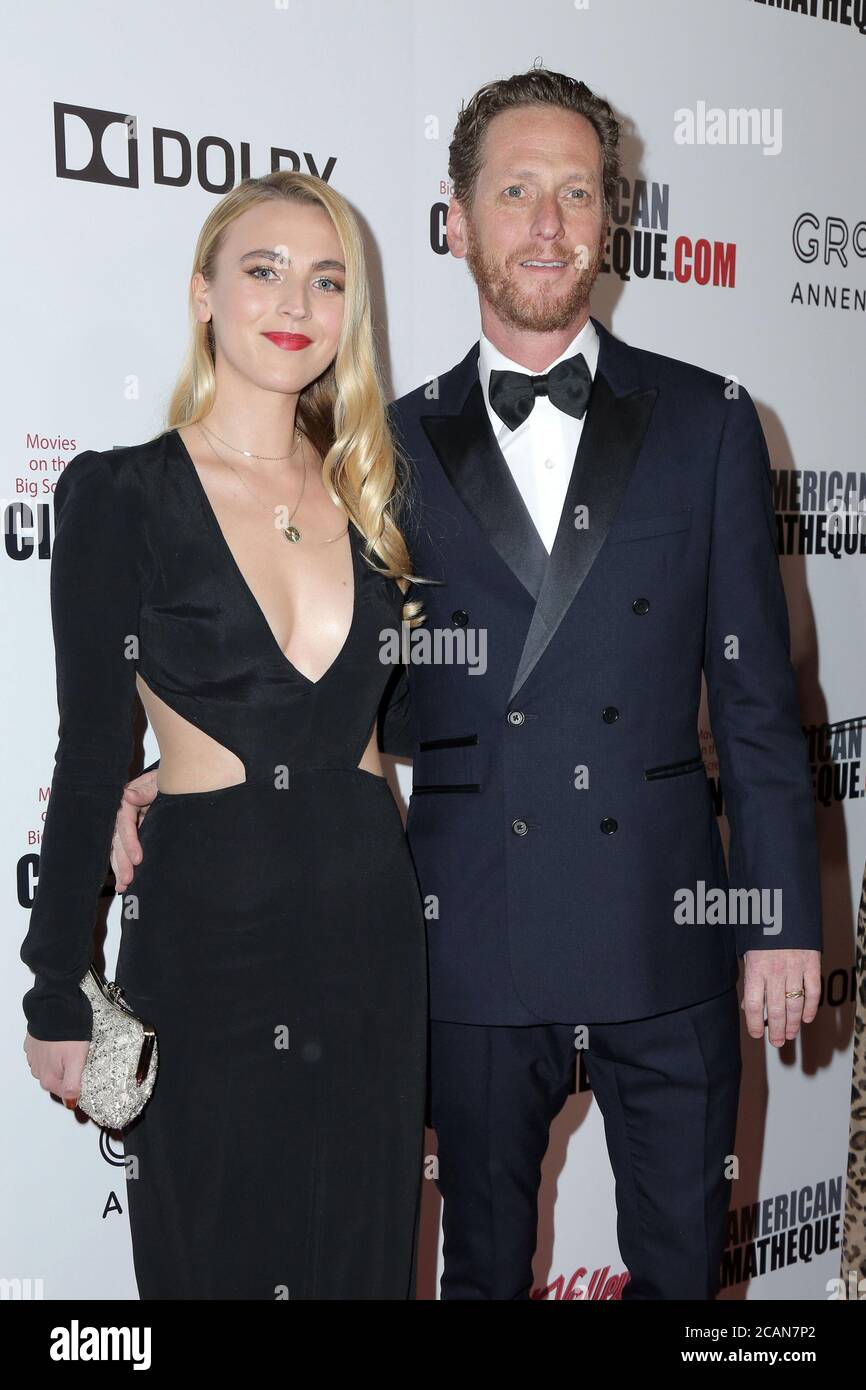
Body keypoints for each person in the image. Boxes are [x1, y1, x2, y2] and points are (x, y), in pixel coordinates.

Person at [112, 69, 824, 1301]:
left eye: (574, 194)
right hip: (466, 940)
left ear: (611, 220)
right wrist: (172, 774)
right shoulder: (369, 448)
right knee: (479, 1272)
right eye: (513, 193)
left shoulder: (708, 421)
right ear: (455, 218)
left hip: (667, 933)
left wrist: (778, 914)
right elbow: (333, 686)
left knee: (681, 1275)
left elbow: (756, 700)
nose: (545, 225)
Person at [20, 171, 428, 1301]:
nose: (295, 298)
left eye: (327, 277)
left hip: (369, 944)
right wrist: (57, 979)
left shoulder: (379, 499)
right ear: (203, 292)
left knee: (361, 1267)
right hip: (208, 944)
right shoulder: (121, 493)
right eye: (262, 269)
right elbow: (89, 747)